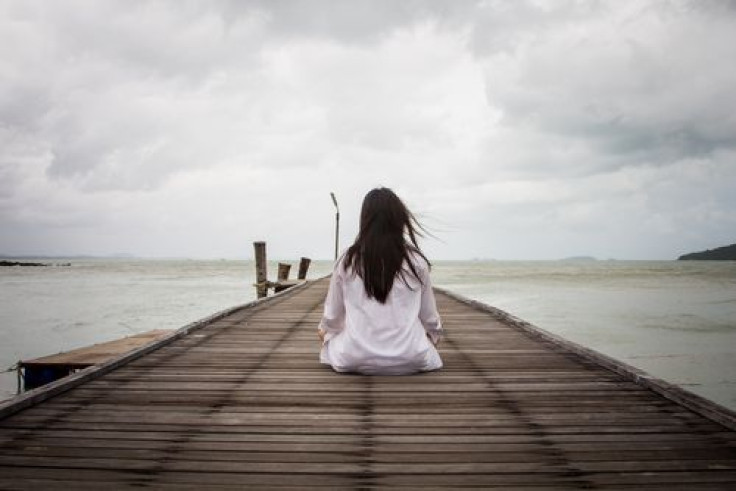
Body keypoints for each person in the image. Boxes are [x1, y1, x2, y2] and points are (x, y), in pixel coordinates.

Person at [318, 187, 443, 375]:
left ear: (365, 220)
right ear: (399, 220)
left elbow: (333, 317)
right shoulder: (416, 261)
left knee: (329, 337)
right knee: (425, 342)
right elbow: (429, 317)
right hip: (410, 357)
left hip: (354, 357)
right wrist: (433, 334)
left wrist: (325, 331)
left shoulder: (347, 260)